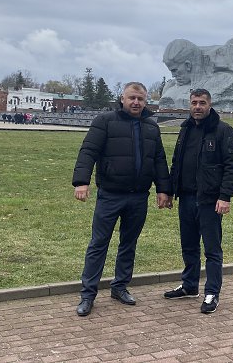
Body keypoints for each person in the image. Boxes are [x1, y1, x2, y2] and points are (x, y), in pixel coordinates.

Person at [72, 81, 172, 317]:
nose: (136, 102)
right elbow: (88, 151)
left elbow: (158, 159)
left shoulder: (151, 127)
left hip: (138, 196)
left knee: (129, 243)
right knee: (99, 244)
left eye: (140, 99)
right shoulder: (105, 121)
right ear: (122, 99)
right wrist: (81, 181)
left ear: (146, 101)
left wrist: (163, 189)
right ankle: (88, 294)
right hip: (110, 195)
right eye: (131, 98)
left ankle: (120, 287)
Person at [163, 88, 233, 314]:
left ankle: (212, 292)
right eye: (194, 102)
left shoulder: (223, 130)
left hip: (210, 200)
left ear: (210, 105)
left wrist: (225, 196)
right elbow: (177, 162)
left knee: (212, 250)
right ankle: (189, 285)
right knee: (188, 246)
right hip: (186, 198)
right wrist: (170, 191)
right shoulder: (185, 129)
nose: (197, 107)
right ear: (189, 104)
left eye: (202, 103)